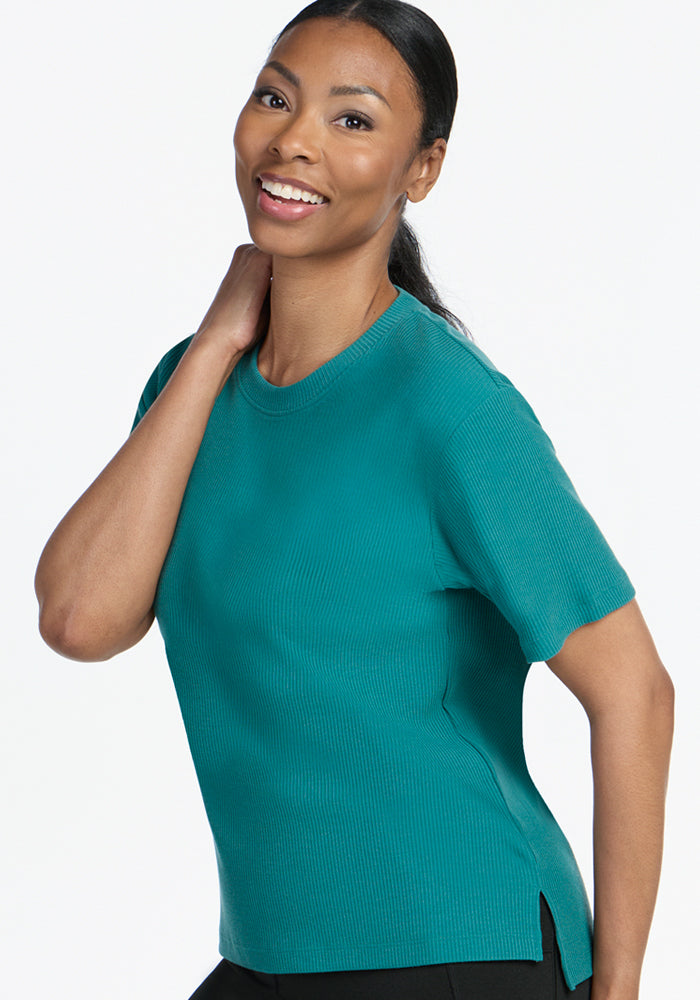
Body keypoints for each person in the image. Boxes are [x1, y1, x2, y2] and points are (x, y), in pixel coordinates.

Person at [34, 2, 674, 998]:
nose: (292, 140)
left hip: (459, 948)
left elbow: (633, 690)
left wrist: (621, 989)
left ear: (422, 170)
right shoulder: (190, 388)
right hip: (273, 955)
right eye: (274, 97)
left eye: (353, 119)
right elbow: (78, 618)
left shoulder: (450, 410)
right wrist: (211, 348)